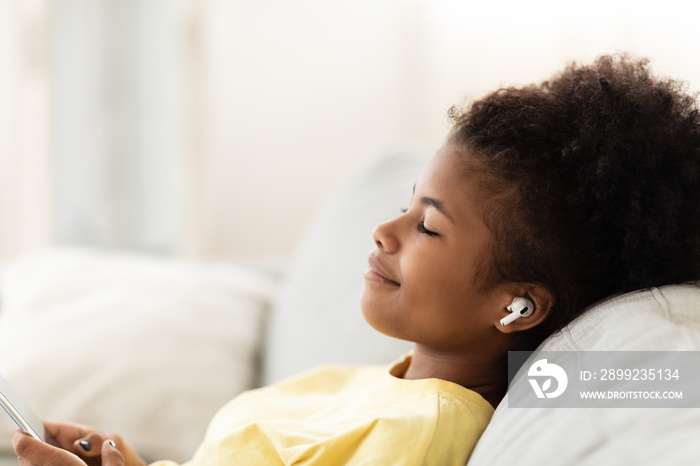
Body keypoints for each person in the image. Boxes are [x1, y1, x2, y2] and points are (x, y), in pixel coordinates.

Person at [12, 53, 700, 465]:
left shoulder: (424, 429)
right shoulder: (366, 383)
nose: (383, 230)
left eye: (428, 226)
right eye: (408, 204)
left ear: (515, 306)